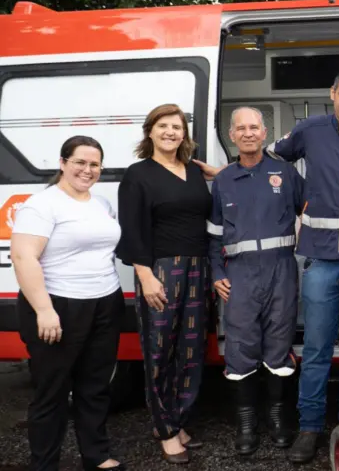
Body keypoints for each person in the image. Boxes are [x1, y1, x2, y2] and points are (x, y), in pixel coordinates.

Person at [195, 68, 339, 463]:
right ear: (332, 93)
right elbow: (264, 165)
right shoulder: (308, 130)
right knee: (317, 349)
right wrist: (229, 174)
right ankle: (309, 429)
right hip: (321, 259)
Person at [10, 136, 125, 471]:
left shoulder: (101, 204)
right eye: (80, 162)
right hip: (58, 306)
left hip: (104, 302)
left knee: (95, 386)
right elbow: (23, 257)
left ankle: (96, 455)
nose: (87, 170)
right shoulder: (42, 205)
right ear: (63, 163)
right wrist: (44, 310)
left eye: (94, 164)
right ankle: (44, 464)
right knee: (53, 393)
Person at [116, 104, 212, 464]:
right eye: (164, 126)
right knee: (159, 352)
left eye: (178, 127)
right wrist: (144, 275)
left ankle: (180, 419)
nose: (171, 132)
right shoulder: (138, 175)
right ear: (150, 132)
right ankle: (164, 429)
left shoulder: (193, 171)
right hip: (160, 270)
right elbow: (133, 227)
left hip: (198, 267)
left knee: (191, 350)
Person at [207, 107, 304, 455]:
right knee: (241, 347)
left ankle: (278, 419)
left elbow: (307, 211)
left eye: (254, 127)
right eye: (240, 129)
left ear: (265, 133)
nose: (248, 133)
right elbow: (214, 235)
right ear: (232, 136)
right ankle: (247, 424)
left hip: (281, 272)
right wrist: (217, 273)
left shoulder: (285, 173)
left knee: (279, 346)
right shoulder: (223, 180)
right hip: (240, 276)